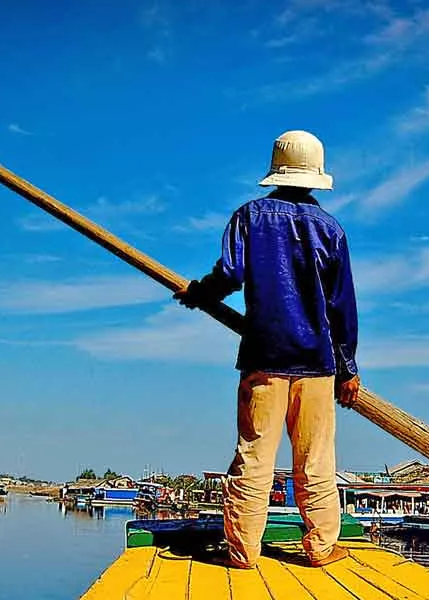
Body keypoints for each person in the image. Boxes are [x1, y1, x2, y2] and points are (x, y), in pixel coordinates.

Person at [175, 130, 361, 569]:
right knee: (315, 461)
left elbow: (230, 273)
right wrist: (348, 368)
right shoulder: (331, 229)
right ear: (316, 176)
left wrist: (201, 294)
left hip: (264, 356)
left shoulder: (250, 217)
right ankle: (321, 547)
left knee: (254, 457)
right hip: (317, 363)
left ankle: (242, 551)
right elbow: (341, 307)